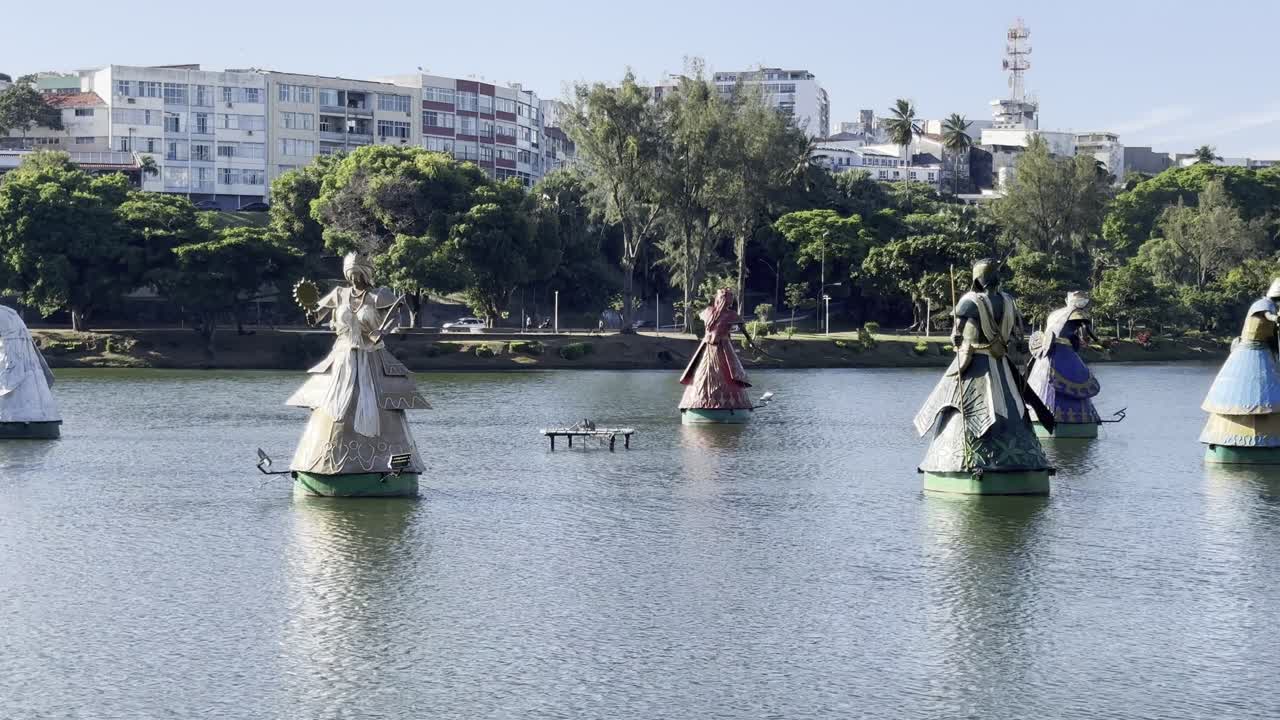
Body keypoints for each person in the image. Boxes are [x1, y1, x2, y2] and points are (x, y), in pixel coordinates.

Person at [286, 252, 430, 477]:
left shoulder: (378, 295)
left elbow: (394, 318)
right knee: (336, 406)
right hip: (343, 358)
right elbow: (318, 315)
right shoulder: (339, 294)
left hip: (371, 356)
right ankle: (322, 462)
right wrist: (311, 315)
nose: (354, 280)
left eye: (358, 275)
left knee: (376, 402)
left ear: (366, 274)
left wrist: (382, 330)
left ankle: (387, 464)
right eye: (350, 275)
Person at [913, 259, 1052, 486]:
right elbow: (963, 334)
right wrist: (958, 339)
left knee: (993, 405)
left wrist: (956, 340)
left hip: (984, 363)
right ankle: (1005, 461)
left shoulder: (985, 301)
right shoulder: (995, 302)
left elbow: (960, 335)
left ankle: (978, 463)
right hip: (989, 363)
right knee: (1005, 404)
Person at [1200, 278, 1280, 460]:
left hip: (1264, 355)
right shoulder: (1263, 304)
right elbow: (1266, 315)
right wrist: (1276, 318)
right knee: (1246, 395)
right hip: (1249, 353)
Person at [1026, 291, 1103, 428]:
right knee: (1074, 379)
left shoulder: (1055, 313)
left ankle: (1033, 416)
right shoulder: (1077, 313)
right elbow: (1087, 332)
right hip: (1063, 352)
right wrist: (1099, 342)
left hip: (1046, 353)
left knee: (1040, 385)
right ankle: (1073, 421)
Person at [678, 288, 754, 413]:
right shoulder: (727, 314)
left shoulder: (709, 311)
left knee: (715, 372)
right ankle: (703, 402)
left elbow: (743, 330)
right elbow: (744, 331)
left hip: (713, 346)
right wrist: (750, 342)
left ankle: (701, 402)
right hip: (715, 347)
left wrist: (750, 342)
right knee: (710, 372)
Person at [0, 305, 61, 438]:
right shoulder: (10, 314)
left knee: (16, 389)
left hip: (14, 354)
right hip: (20, 356)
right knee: (28, 387)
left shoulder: (6, 314)